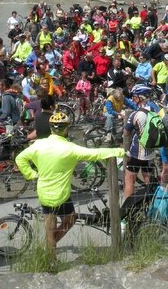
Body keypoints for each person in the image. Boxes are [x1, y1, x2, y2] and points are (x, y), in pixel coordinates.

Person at [16, 110, 124, 254]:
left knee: (50, 227)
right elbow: (95, 154)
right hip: (61, 194)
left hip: (44, 192)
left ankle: (50, 253)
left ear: (51, 128)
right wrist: (119, 151)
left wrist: (31, 174)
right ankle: (52, 246)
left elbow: (19, 159)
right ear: (66, 128)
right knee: (71, 218)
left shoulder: (38, 145)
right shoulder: (70, 148)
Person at [123, 85, 159, 199]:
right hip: (150, 151)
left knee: (129, 179)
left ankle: (127, 209)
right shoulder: (155, 111)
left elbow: (126, 133)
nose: (133, 99)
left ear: (140, 97)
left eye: (134, 97)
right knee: (148, 179)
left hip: (136, 153)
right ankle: (151, 205)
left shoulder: (136, 114)